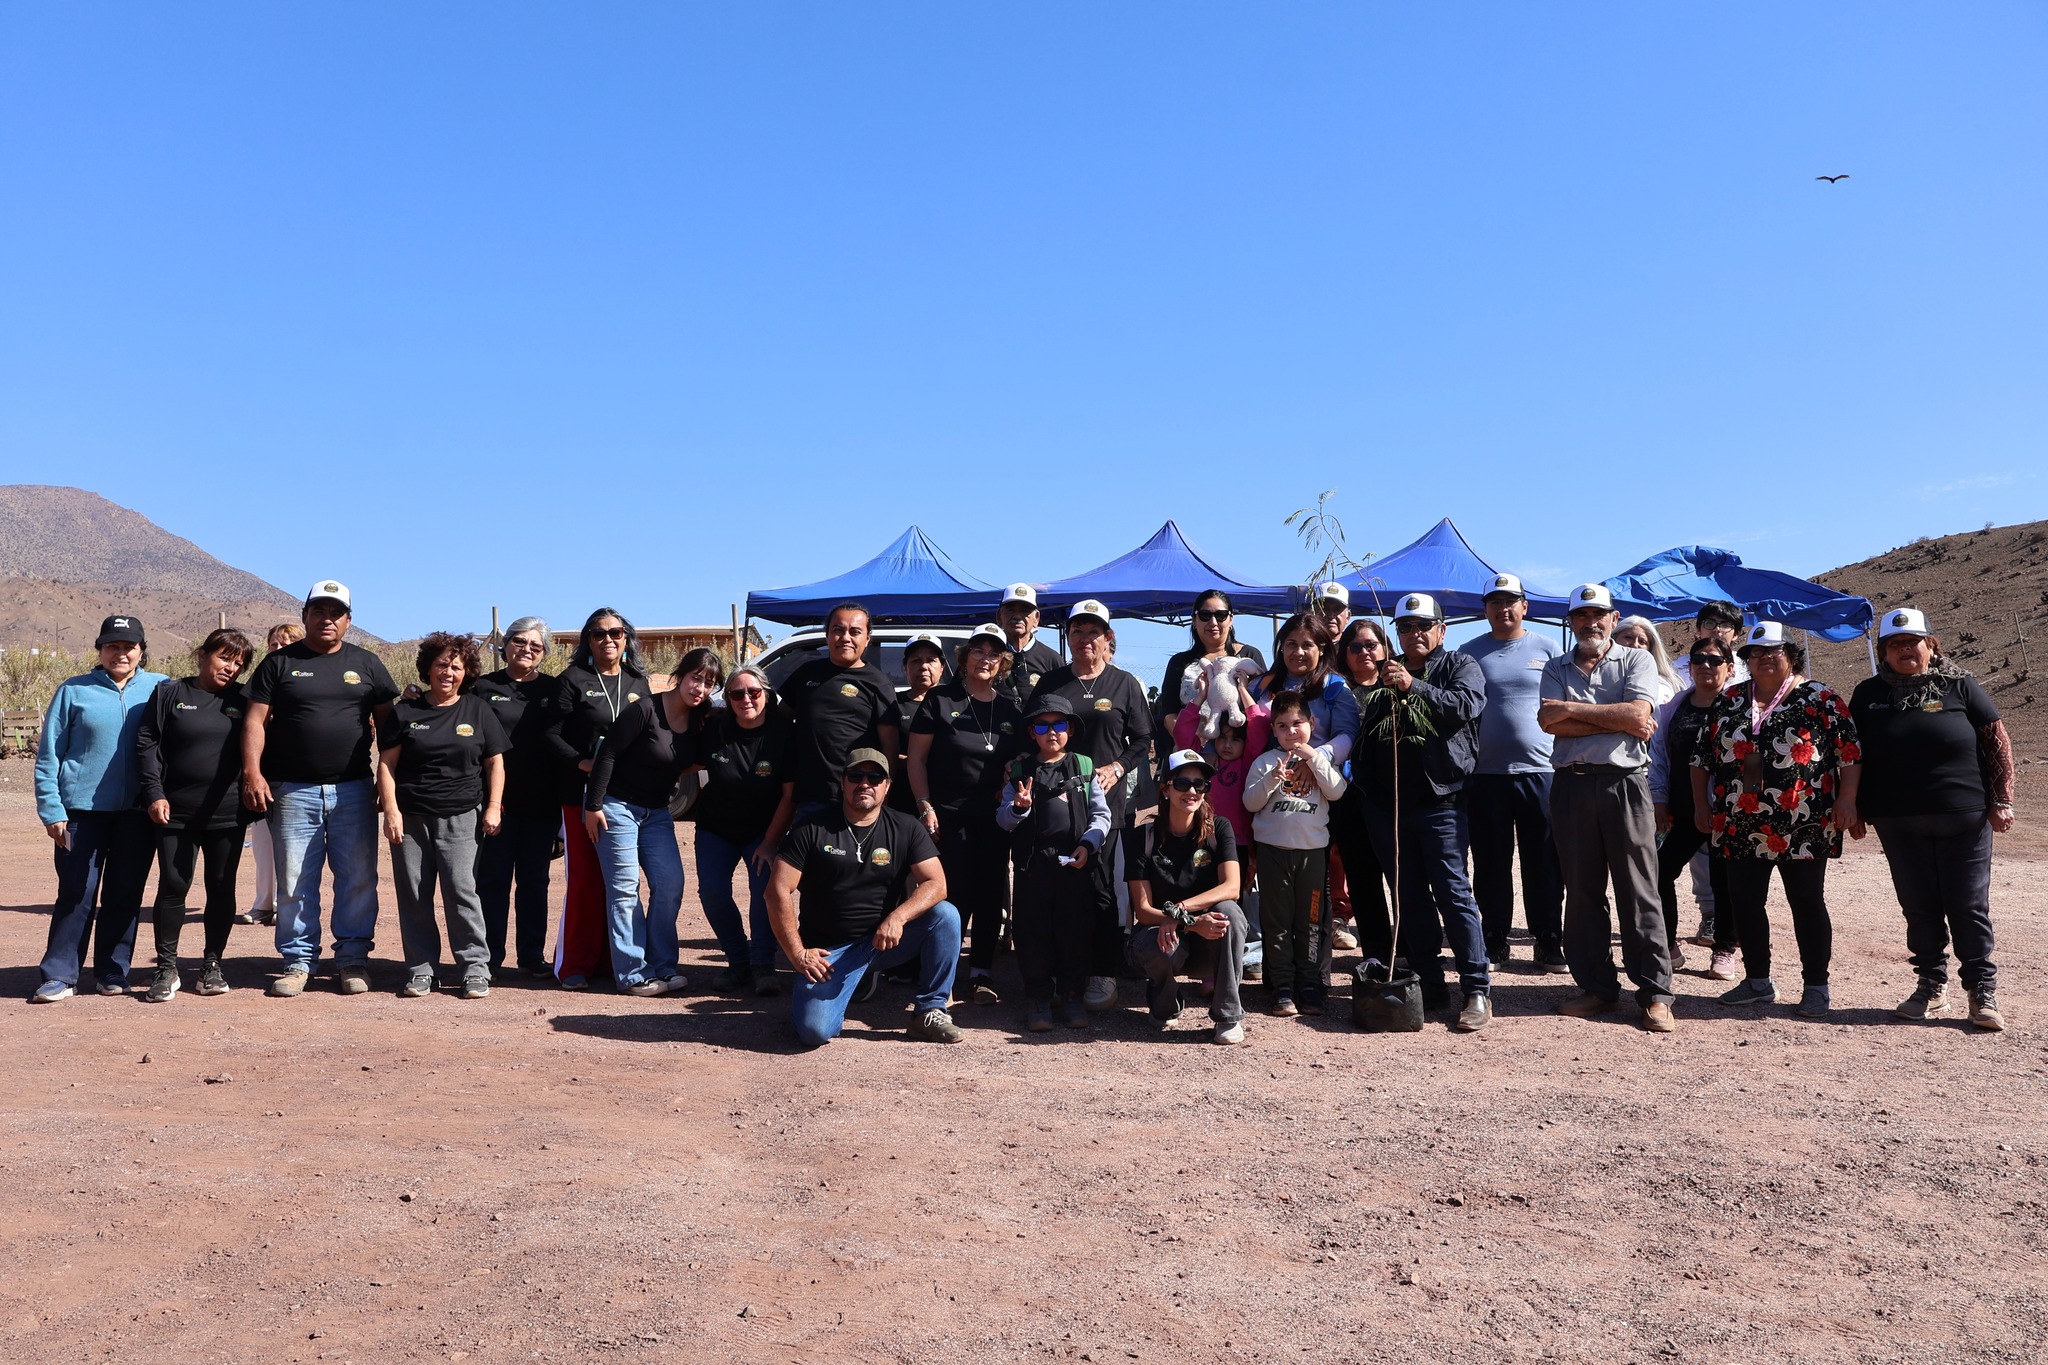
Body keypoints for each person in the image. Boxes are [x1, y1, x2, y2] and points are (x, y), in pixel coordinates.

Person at [1851, 608, 2013, 1031]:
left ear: (1930, 645)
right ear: (1884, 652)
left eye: (1913, 642)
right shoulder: (1867, 694)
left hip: (1965, 816)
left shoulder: (1960, 685)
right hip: (1897, 821)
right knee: (1918, 907)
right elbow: (1851, 757)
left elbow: (1997, 742)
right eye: (1895, 645)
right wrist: (1853, 807)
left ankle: (1981, 991)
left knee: (1968, 906)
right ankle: (1931, 985)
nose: (1906, 650)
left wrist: (2003, 799)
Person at [1692, 622, 1861, 1018]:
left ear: (1791, 655)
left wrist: (1848, 800)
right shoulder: (1730, 699)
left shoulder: (1820, 697)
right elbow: (1700, 758)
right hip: (1739, 819)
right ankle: (1757, 981)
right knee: (1745, 901)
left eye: (1775, 650)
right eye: (1756, 651)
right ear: (1745, 659)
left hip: (1803, 821)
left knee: (1806, 901)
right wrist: (1702, 806)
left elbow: (1849, 754)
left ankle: (1816, 986)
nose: (1765, 657)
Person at [242, 581, 399, 998]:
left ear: (349, 619)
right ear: (305, 615)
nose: (327, 619)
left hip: (353, 791)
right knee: (294, 880)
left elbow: (390, 729)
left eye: (336, 612)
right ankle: (298, 961)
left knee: (359, 878)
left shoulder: (367, 664)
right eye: (318, 611)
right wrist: (253, 773)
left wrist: (388, 785)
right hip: (292, 791)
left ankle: (351, 959)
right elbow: (255, 720)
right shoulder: (279, 663)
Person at [1351, 593, 1493, 1030]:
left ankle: (1476, 990)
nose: (1414, 634)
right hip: (1390, 809)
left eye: (1423, 626)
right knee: (1409, 897)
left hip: (1442, 802)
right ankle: (1430, 984)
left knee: (1454, 893)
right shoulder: (1383, 679)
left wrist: (1414, 687)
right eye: (1406, 628)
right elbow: (1366, 742)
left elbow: (1465, 707)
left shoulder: (1460, 666)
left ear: (1441, 630)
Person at [1540, 583, 1676, 1033]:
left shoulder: (1636, 658)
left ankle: (1655, 994)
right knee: (1581, 893)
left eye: (1599, 614)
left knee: (1638, 890)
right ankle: (1597, 988)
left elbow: (1640, 717)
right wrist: (1612, 716)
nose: (1590, 622)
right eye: (1581, 615)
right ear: (1571, 621)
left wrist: (1573, 713)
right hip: (1571, 787)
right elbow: (1546, 720)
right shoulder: (1554, 667)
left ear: (1613, 619)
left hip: (1625, 786)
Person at [767, 747, 965, 1046]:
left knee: (945, 915)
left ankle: (929, 1010)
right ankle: (835, 992)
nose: (865, 783)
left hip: (883, 942)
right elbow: (777, 891)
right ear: (842, 782)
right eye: (856, 776)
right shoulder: (811, 828)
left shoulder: (905, 826)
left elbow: (937, 884)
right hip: (829, 954)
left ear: (887, 786)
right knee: (813, 1033)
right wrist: (797, 954)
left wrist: (898, 917)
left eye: (875, 777)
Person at [29, 615, 168, 1002]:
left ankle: (112, 971)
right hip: (80, 813)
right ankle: (59, 974)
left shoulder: (160, 688)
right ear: (100, 650)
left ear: (141, 650)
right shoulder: (74, 691)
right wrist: (52, 810)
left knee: (124, 893)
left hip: (137, 814)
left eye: (128, 646)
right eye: (112, 646)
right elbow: (48, 756)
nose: (120, 653)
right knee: (77, 891)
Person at [1024, 599, 1153, 1013]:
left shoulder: (1125, 683)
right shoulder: (1051, 682)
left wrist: (1118, 766)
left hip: (1106, 806)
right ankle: (1058, 975)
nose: (1085, 639)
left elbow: (1142, 741)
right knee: (1055, 889)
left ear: (1107, 638)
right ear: (1067, 637)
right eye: (1077, 631)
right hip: (1051, 807)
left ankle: (1103, 970)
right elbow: (1033, 733)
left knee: (1099, 888)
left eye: (1093, 632)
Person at [376, 632, 508, 1000]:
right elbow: (386, 765)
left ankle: (474, 969)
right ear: (428, 668)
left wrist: (494, 806)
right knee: (414, 895)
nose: (447, 672)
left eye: (456, 666)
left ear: (466, 673)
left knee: (462, 892)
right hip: (412, 817)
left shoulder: (477, 710)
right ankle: (422, 970)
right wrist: (391, 811)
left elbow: (495, 761)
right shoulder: (406, 711)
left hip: (462, 816)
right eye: (441, 665)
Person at [583, 647, 722, 997]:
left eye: (708, 683)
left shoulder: (700, 720)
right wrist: (593, 805)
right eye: (696, 678)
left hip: (657, 813)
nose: (700, 688)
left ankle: (663, 965)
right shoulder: (645, 709)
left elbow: (697, 761)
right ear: (681, 675)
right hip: (616, 808)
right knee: (625, 890)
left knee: (670, 884)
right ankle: (633, 974)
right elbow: (608, 754)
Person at [135, 628, 256, 1002]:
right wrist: (154, 792)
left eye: (238, 663)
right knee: (174, 885)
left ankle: (212, 964)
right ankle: (166, 967)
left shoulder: (245, 699)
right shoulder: (171, 693)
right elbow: (147, 742)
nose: (231, 668)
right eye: (224, 658)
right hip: (175, 811)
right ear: (203, 655)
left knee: (222, 887)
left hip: (227, 812)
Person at [908, 623, 1024, 1005]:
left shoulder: (1009, 708)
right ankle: (945, 973)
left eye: (994, 653)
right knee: (951, 895)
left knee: (991, 892)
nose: (985, 658)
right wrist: (925, 805)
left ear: (1003, 661)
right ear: (964, 656)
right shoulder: (940, 700)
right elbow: (917, 761)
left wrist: (1015, 769)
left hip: (993, 818)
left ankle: (981, 974)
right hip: (947, 817)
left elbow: (1022, 757)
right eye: (978, 650)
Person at [1458, 573, 1567, 973]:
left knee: (1544, 860)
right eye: (1494, 602)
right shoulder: (1468, 654)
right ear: (1484, 609)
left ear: (1525, 606)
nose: (1503, 609)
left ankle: (1548, 940)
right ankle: (1494, 938)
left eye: (1511, 601)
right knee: (1491, 862)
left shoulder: (1548, 648)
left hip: (1540, 770)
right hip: (1485, 774)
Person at [543, 608, 650, 990]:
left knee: (620, 883)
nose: (609, 640)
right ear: (588, 641)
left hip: (628, 798)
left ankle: (610, 959)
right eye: (599, 634)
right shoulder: (572, 680)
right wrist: (582, 762)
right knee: (586, 880)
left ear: (627, 639)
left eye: (616, 633)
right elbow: (551, 735)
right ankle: (573, 964)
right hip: (582, 795)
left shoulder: (639, 683)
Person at [997, 695, 1112, 1031]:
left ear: (1070, 730)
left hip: (1074, 860)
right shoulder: (1020, 771)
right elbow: (1003, 820)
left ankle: (1072, 994)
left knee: (1074, 930)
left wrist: (1088, 846)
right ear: (1031, 732)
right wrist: (1019, 807)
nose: (1051, 732)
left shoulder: (1085, 766)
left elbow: (1101, 816)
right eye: (1042, 725)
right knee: (1033, 932)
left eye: (1059, 724)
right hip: (1033, 864)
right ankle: (1038, 998)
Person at [1124, 749, 1249, 1045]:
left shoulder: (1219, 828)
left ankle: (1227, 1015)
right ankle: (1166, 1001)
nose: (1192, 791)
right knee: (1154, 943)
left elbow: (1231, 887)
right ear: (1165, 788)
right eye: (1182, 783)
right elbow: (1142, 910)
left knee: (1230, 914)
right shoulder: (1142, 837)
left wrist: (1179, 910)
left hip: (1209, 942)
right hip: (1165, 941)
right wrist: (1190, 923)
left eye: (1200, 784)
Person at [692, 662, 797, 996]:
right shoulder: (715, 727)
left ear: (766, 693)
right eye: (737, 693)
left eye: (754, 692)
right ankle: (738, 963)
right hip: (716, 827)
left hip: (763, 829)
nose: (746, 699)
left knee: (765, 890)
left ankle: (764, 966)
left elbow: (790, 796)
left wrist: (769, 843)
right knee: (711, 890)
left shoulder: (784, 733)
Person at [1243, 691, 1348, 1018]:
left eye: (1298, 724)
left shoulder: (1318, 761)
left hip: (1312, 856)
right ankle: (1283, 987)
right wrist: (1273, 778)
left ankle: (1309, 984)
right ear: (1273, 729)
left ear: (1311, 723)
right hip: (1274, 854)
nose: (1291, 731)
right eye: (1283, 726)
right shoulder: (1264, 763)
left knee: (1311, 921)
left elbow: (1338, 791)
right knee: (1277, 921)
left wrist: (1314, 759)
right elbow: (1250, 803)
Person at [473, 616, 558, 978]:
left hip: (542, 801)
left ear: (544, 654)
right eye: (520, 642)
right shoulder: (480, 687)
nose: (526, 650)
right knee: (492, 879)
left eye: (535, 646)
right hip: (495, 802)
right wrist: (413, 692)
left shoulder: (555, 690)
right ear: (504, 645)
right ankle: (489, 956)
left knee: (535, 880)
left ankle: (531, 956)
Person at [1648, 640, 1736, 978]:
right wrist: (1660, 800)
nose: (1706, 665)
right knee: (1658, 872)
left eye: (1715, 660)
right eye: (1698, 659)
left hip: (1728, 811)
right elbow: (1659, 758)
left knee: (1723, 880)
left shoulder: (1739, 707)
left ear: (1729, 667)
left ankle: (1724, 949)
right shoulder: (1674, 708)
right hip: (1684, 810)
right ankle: (1668, 944)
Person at [780, 603, 900, 822]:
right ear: (827, 636)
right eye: (838, 630)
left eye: (855, 631)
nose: (845, 637)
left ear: (867, 639)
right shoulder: (806, 674)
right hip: (810, 796)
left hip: (858, 798)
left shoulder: (879, 683)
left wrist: (884, 797)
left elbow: (889, 746)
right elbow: (780, 717)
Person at [1325, 618, 1396, 965]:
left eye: (1371, 645)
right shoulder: (1337, 692)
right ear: (1344, 653)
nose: (1364, 652)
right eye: (1355, 646)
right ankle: (1377, 952)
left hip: (1393, 797)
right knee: (1363, 878)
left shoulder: (1399, 687)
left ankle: (1410, 948)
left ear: (1385, 648)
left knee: (1402, 877)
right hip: (1349, 798)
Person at [237, 621, 306, 927]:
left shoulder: (304, 681)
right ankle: (263, 902)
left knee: (290, 846)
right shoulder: (262, 679)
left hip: (296, 776)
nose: (279, 649)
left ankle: (284, 903)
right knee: (263, 842)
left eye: (286, 643)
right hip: (263, 773)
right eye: (274, 644)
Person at [1248, 612, 1358, 763]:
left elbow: (1348, 734)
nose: (1298, 652)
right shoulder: (1260, 685)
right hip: (1265, 777)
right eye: (1291, 644)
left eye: (1307, 645)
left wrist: (1315, 760)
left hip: (1317, 778)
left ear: (1321, 649)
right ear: (1282, 648)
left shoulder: (1335, 687)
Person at [1157, 589, 1267, 738]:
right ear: (1195, 620)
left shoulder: (1249, 656)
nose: (1213, 622)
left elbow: (1264, 706)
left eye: (1221, 615)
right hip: (1193, 753)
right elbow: (1170, 714)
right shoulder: (1179, 663)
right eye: (1205, 615)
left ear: (1231, 620)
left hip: (1243, 754)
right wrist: (1192, 746)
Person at [890, 632, 948, 814]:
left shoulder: (955, 705)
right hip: (902, 799)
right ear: (904, 667)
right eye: (916, 660)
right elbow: (882, 751)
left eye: (931, 660)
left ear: (942, 667)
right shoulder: (892, 705)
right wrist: (915, 761)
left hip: (947, 800)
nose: (923, 666)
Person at [996, 583, 1065, 708]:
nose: (1017, 616)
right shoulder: (988, 657)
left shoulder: (1052, 659)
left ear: (1036, 618)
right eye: (1011, 610)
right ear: (999, 616)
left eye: (1025, 611)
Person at [1614, 617, 1682, 704]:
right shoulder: (1598, 676)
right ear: (1614, 639)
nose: (1635, 645)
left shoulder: (1665, 684)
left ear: (1650, 649)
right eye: (1628, 637)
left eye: (1642, 641)